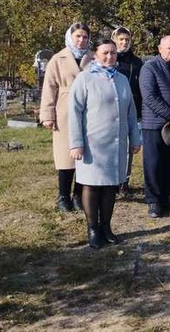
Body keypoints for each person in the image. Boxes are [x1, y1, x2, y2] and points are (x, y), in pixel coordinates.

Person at [68, 39, 141, 248]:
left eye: (113, 53)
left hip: (116, 144)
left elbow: (131, 112)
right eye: (105, 53)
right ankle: (93, 228)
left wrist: (135, 139)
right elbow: (74, 112)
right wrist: (75, 143)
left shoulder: (122, 80)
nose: (110, 57)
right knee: (91, 185)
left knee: (110, 187)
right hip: (92, 143)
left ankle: (106, 227)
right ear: (95, 55)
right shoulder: (85, 79)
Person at [40, 23, 94, 213]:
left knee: (83, 155)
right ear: (70, 37)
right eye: (78, 36)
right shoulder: (58, 58)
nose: (81, 40)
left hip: (88, 111)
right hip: (64, 109)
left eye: (85, 37)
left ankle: (78, 195)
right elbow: (49, 87)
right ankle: (63, 195)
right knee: (65, 156)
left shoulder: (93, 58)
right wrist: (47, 114)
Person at [140, 36, 170, 218]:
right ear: (159, 48)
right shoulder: (149, 68)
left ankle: (165, 198)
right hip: (154, 124)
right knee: (153, 164)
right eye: (168, 48)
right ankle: (153, 201)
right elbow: (150, 97)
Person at [111, 26, 144, 196]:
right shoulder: (109, 58)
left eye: (127, 40)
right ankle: (110, 181)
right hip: (109, 110)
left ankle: (124, 181)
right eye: (121, 39)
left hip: (130, 108)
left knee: (128, 147)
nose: (124, 43)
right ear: (115, 40)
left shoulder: (136, 63)